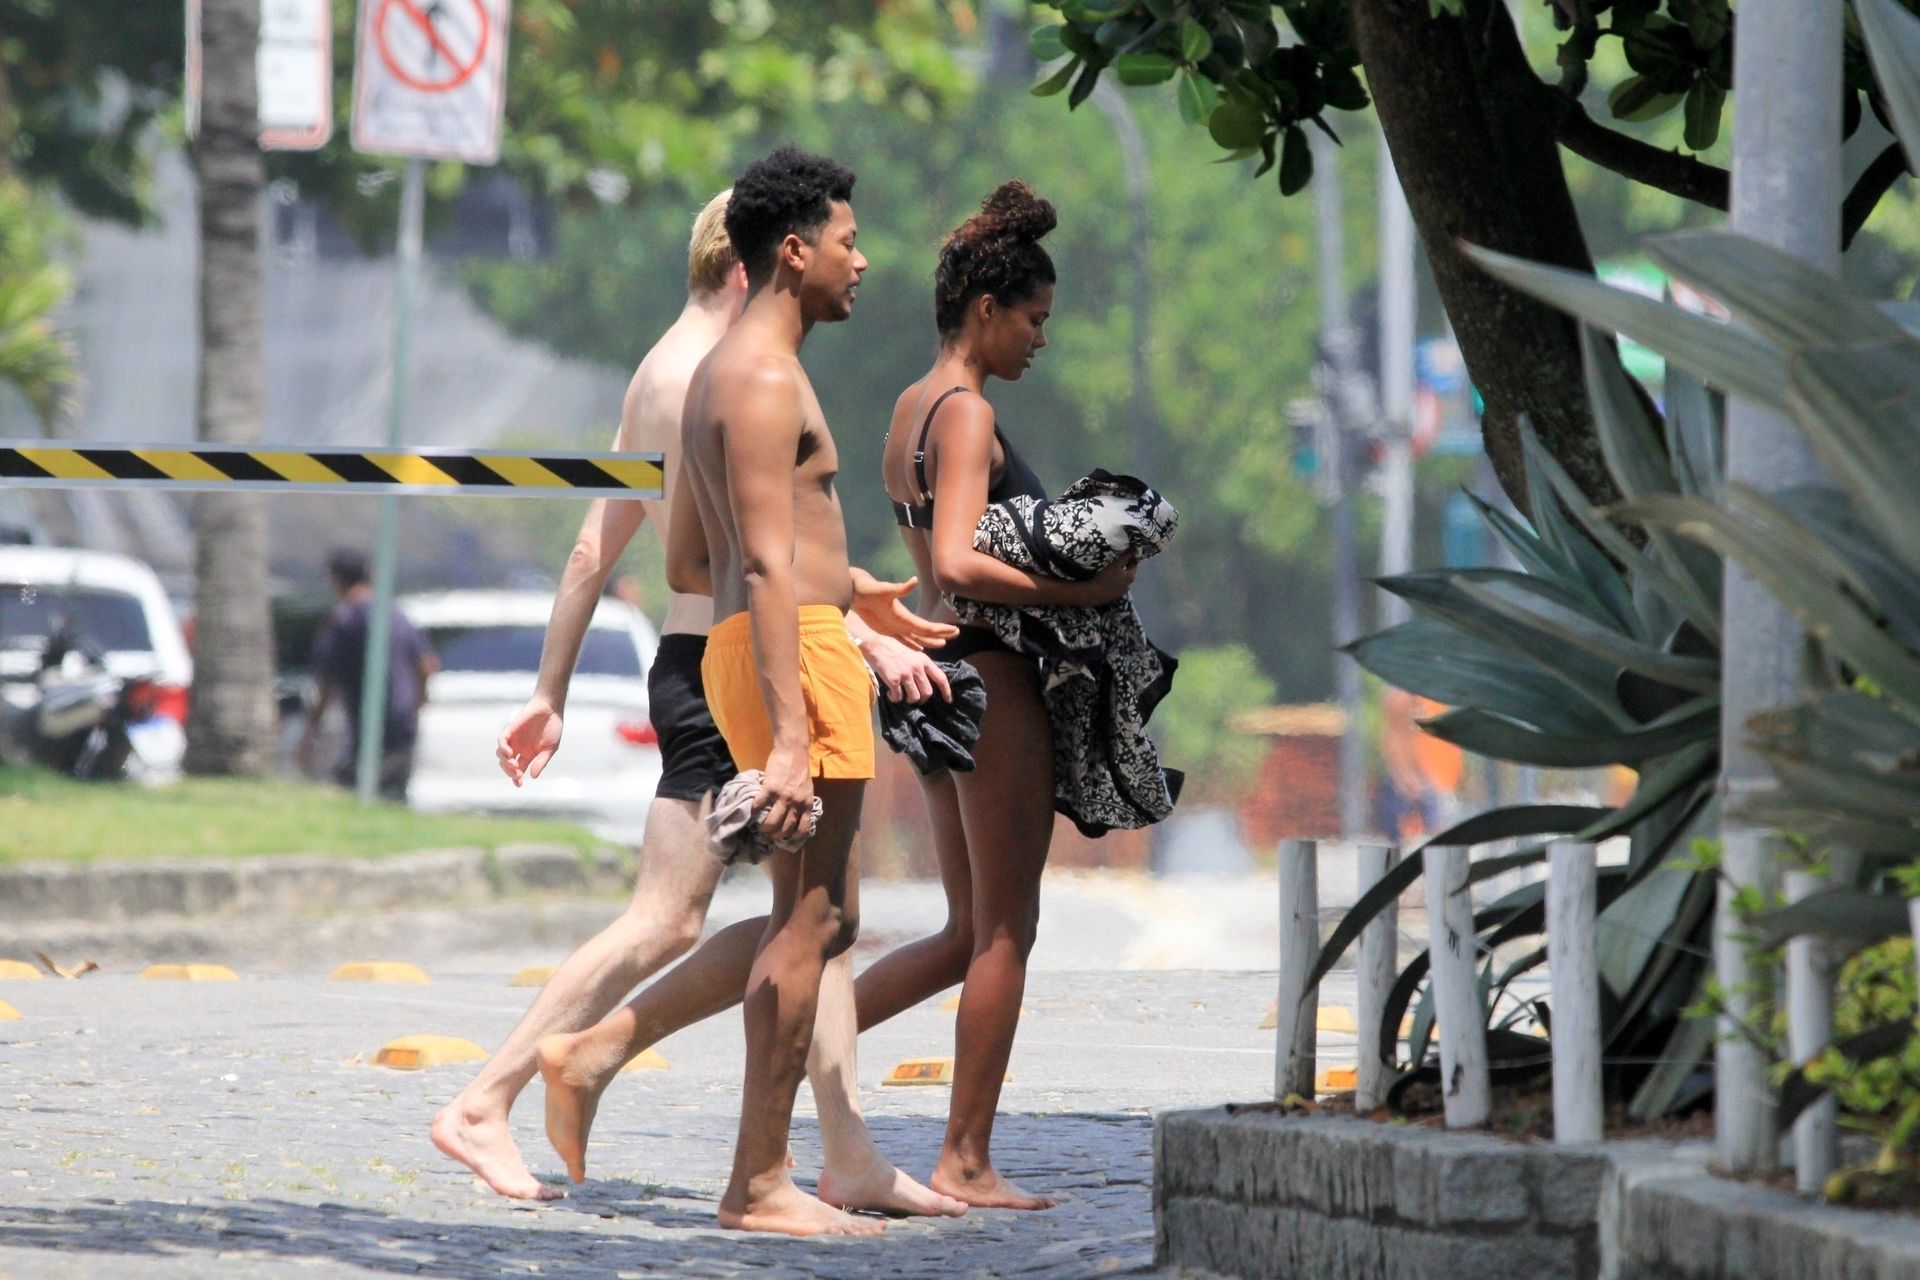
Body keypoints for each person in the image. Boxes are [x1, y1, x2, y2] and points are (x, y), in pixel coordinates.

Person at [431, 188, 959, 1213]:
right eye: (836, 247)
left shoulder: (662, 374)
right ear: (755, 263)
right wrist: (847, 632)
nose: (850, 265)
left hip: (705, 652)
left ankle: (836, 1145)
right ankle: (511, 1085)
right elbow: (744, 557)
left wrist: (551, 689)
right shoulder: (721, 378)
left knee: (806, 915)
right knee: (719, 917)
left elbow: (614, 542)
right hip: (728, 662)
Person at [852, 182, 1139, 1209]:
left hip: (926, 681)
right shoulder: (967, 412)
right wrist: (1087, 581)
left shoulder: (904, 410)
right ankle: (965, 1156)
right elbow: (962, 561)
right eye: (1033, 318)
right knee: (1008, 926)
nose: (1040, 340)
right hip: (983, 677)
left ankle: (800, 1042)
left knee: (961, 927)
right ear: (986, 309)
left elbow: (926, 564)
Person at [300, 547, 438, 802]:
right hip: (401, 725)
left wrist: (311, 730)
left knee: (352, 793)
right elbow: (427, 665)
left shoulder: (342, 620)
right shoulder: (395, 614)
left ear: (334, 580)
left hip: (365, 728)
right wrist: (416, 705)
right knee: (392, 798)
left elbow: (328, 682)